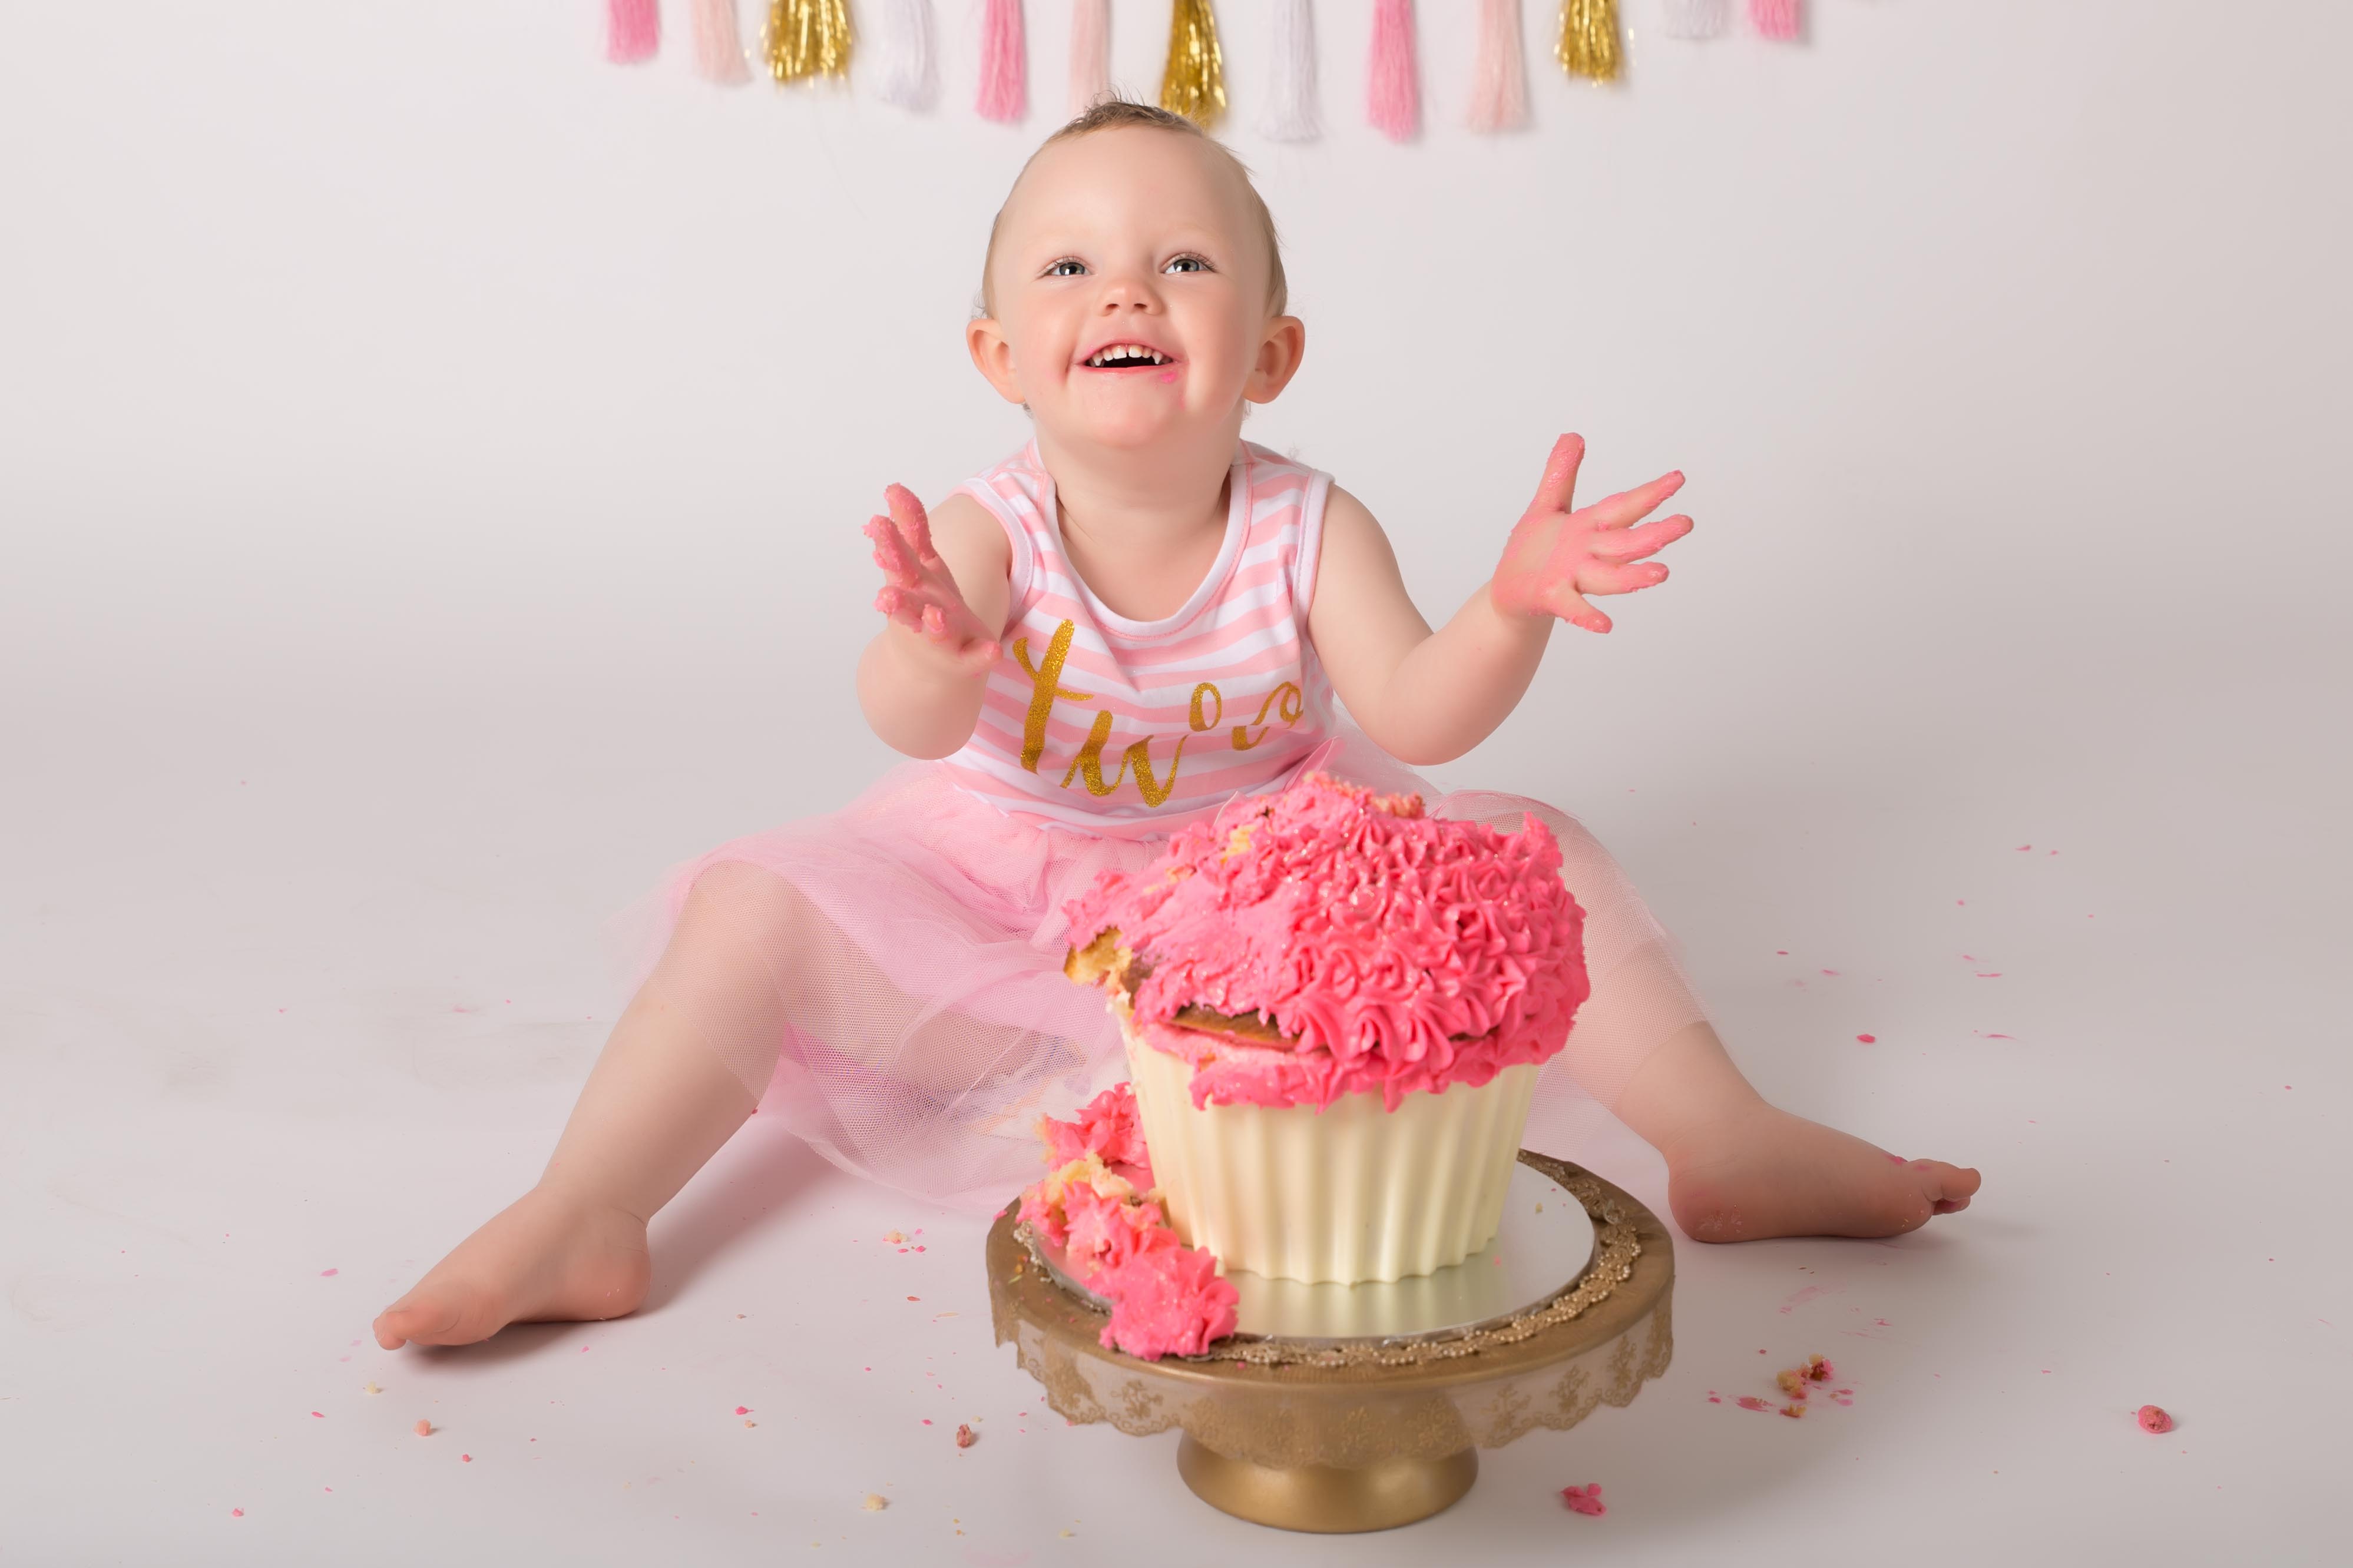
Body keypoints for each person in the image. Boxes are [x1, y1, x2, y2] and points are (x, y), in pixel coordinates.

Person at [375, 100, 1978, 1352]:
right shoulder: (988, 524)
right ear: (1003, 356)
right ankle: (587, 1210)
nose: (1126, 287)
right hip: (999, 895)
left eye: (1184, 263)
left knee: (1540, 846)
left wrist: (1508, 610)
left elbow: (1417, 707)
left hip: (1259, 914)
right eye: (1067, 267)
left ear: (1268, 356)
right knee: (747, 908)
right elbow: (910, 723)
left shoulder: (1303, 524)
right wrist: (934, 647)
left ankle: (1724, 1139)